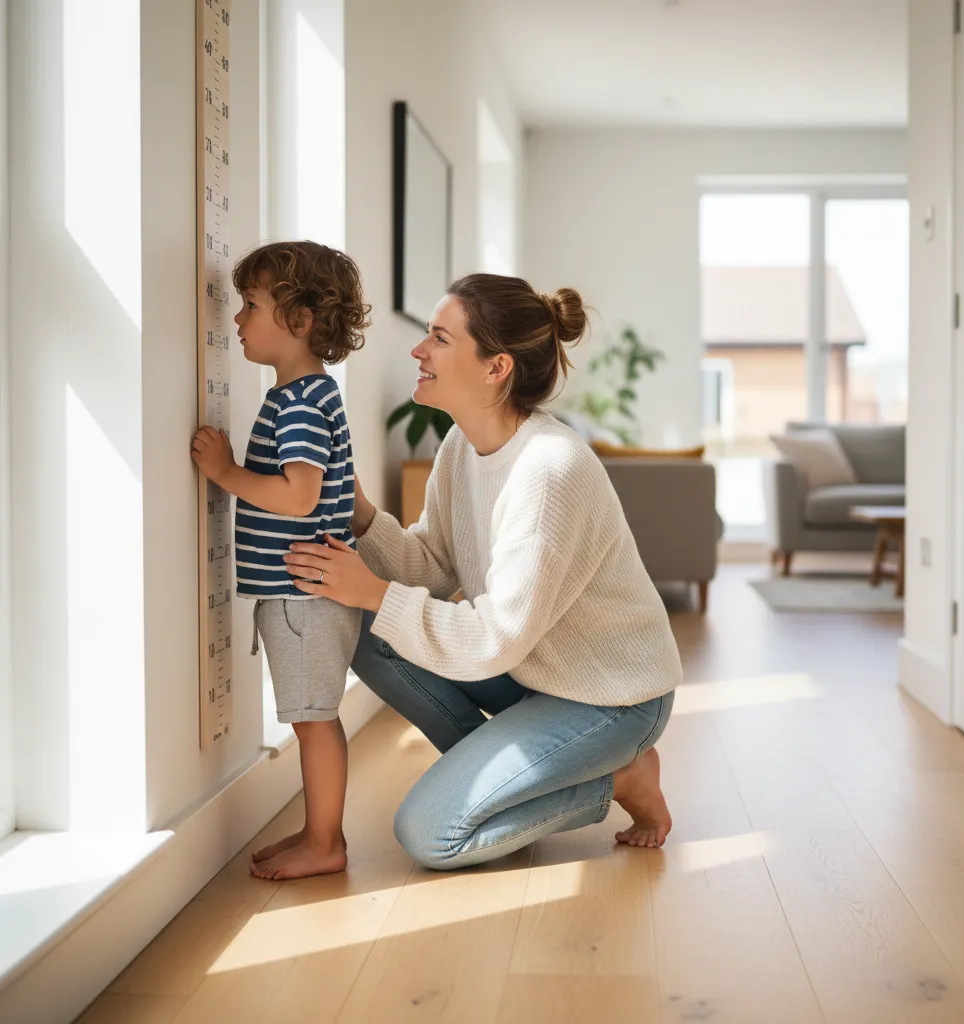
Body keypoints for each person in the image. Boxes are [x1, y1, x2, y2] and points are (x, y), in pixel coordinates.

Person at [283, 273, 681, 871]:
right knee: (363, 626)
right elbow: (437, 569)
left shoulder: (549, 470)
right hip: (532, 668)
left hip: (609, 695)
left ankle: (620, 779)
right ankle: (512, 781)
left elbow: (495, 636)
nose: (419, 351)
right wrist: (364, 519)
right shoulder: (460, 447)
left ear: (496, 368)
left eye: (439, 338)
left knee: (430, 834)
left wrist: (373, 589)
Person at [191, 240, 370, 880]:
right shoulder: (308, 395)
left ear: (298, 321)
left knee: (313, 722)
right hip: (303, 597)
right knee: (311, 719)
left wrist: (225, 471)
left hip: (302, 599)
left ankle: (327, 843)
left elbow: (299, 496)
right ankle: (319, 833)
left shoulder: (297, 404)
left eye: (249, 305)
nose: (236, 319)